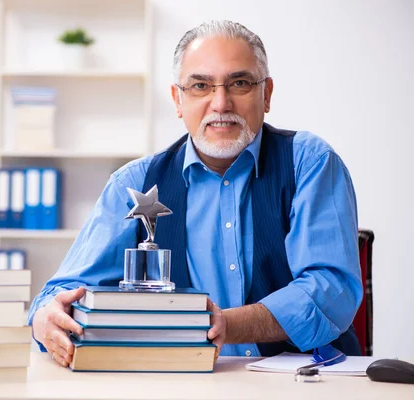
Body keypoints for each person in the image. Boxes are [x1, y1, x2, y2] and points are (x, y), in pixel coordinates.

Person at [28, 20, 363, 367]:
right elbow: (61, 293)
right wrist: (45, 319)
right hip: (181, 382)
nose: (221, 103)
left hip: (306, 382)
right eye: (201, 85)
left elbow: (331, 289)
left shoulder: (308, 162)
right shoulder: (134, 184)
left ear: (267, 95)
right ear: (177, 99)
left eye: (240, 83)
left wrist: (229, 325)